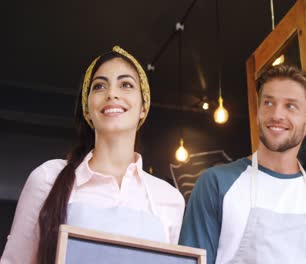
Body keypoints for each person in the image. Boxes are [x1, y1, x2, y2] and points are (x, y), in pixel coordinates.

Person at [1, 46, 185, 264]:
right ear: (87, 108)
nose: (112, 93)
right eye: (99, 86)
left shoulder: (170, 199)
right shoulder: (48, 178)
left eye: (126, 85)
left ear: (144, 107)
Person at [179, 64, 306, 264]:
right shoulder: (216, 183)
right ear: (258, 112)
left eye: (290, 106)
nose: (276, 115)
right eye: (268, 103)